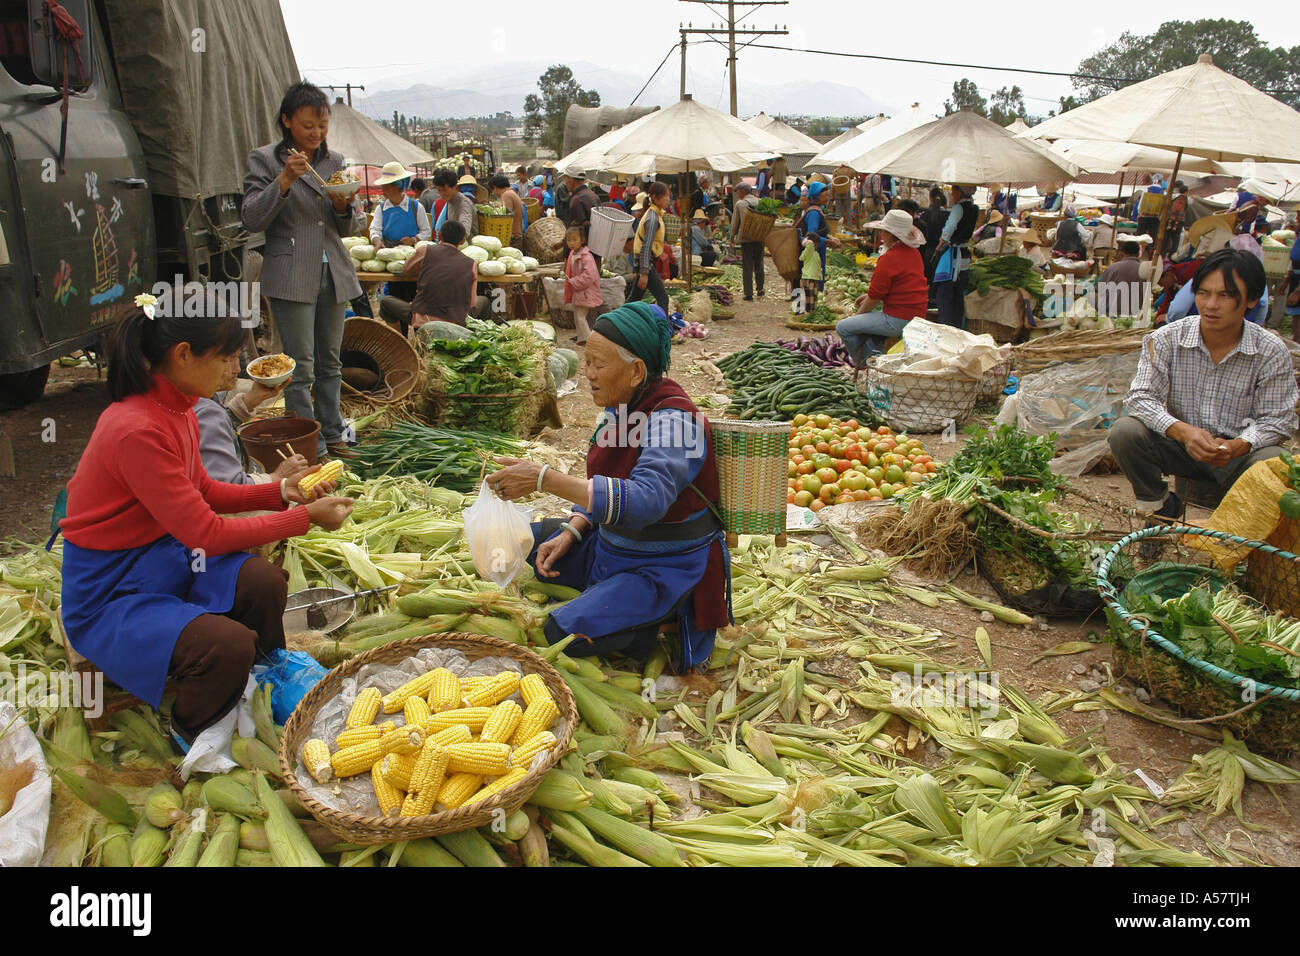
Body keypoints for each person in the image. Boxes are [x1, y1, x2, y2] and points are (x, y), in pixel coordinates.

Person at [57, 302, 352, 749]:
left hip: (160, 564)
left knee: (262, 580)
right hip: (111, 593)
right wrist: (301, 519)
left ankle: (266, 670)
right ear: (182, 355)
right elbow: (205, 533)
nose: (235, 371)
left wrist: (281, 494)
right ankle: (193, 731)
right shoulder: (137, 429)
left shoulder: (178, 410)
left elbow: (205, 491)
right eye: (226, 358)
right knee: (226, 644)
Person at [484, 303, 730, 668]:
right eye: (586, 363)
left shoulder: (677, 422)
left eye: (599, 364)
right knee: (513, 544)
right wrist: (573, 528)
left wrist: (543, 479)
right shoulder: (622, 407)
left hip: (660, 567)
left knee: (561, 634)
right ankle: (607, 595)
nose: (588, 374)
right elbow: (608, 484)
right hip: (612, 546)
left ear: (635, 371)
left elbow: (645, 500)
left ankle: (663, 620)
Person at [1108, 248, 1298, 516]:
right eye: (1203, 293)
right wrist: (1184, 432)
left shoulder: (1269, 350)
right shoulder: (1167, 339)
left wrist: (1239, 445)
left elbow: (1279, 420)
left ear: (1251, 299)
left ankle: (1242, 530)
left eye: (1225, 295)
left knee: (1274, 459)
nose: (1210, 304)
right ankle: (1159, 505)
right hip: (1182, 449)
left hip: (1239, 456)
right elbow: (1140, 398)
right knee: (1125, 432)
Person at [242, 81, 366, 460]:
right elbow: (251, 218)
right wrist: (284, 180)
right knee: (300, 365)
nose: (316, 133)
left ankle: (333, 432)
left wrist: (346, 208)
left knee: (331, 360)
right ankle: (308, 442)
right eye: (308, 125)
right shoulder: (264, 160)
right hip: (291, 271)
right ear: (286, 121)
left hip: (333, 270)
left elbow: (350, 226)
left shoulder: (335, 162)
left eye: (322, 126)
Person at [835, 209, 928, 365]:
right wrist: (868, 297)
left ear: (891, 235)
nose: (881, 236)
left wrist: (858, 315)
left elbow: (875, 298)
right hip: (917, 315)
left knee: (843, 327)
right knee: (866, 326)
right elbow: (899, 287)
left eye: (883, 232)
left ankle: (869, 367)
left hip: (897, 319)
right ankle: (878, 359)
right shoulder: (914, 253)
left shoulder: (889, 258)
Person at [195, 362, 308, 485]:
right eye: (227, 359)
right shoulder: (206, 414)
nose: (237, 369)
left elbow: (222, 423)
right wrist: (277, 476)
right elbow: (228, 488)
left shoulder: (204, 399)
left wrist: (252, 398)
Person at [378, 220, 488, 335]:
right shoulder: (471, 264)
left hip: (424, 320)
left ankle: (400, 344)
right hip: (457, 322)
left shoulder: (425, 250)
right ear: (462, 241)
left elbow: (406, 269)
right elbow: (472, 302)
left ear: (439, 235)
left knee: (386, 303)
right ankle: (476, 340)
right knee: (484, 302)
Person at [935, 183, 979, 328]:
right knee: (958, 294)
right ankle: (957, 326)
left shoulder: (958, 208)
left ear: (960, 192)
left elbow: (950, 226)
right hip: (964, 254)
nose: (952, 194)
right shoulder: (974, 208)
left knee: (945, 295)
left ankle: (946, 327)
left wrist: (942, 241)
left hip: (953, 255)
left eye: (954, 191)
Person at [369, 161, 432, 249]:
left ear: (397, 186)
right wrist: (377, 241)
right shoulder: (381, 209)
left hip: (411, 251)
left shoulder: (416, 207)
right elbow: (375, 229)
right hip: (388, 250)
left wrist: (413, 240)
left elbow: (426, 231)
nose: (383, 190)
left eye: (386, 186)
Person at [632, 182, 672, 314]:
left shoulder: (654, 214)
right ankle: (663, 332)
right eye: (665, 196)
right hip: (646, 264)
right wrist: (644, 273)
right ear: (655, 198)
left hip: (644, 263)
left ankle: (616, 324)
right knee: (663, 298)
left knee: (633, 300)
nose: (668, 199)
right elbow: (646, 246)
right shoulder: (653, 218)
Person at [562, 226, 602, 345]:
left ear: (582, 240)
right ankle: (582, 338)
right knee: (578, 316)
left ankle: (587, 340)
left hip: (585, 292)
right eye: (569, 240)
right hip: (580, 292)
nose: (571, 243)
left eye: (574, 239)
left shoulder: (586, 256)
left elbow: (590, 275)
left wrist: (575, 282)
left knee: (580, 316)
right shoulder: (573, 254)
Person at [1096, 240, 1147, 317]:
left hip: (1110, 313)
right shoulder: (1144, 270)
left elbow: (1100, 289)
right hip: (1134, 314)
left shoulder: (1112, 268)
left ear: (1122, 253)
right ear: (1138, 254)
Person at [731, 182, 765, 301]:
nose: (738, 194)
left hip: (746, 238)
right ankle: (760, 289)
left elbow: (735, 223)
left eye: (738, 191)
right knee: (759, 263)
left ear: (743, 191)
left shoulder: (740, 204)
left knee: (747, 266)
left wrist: (732, 237)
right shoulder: (761, 202)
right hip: (760, 237)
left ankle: (748, 293)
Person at [562, 169, 600, 268]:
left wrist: (567, 255)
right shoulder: (593, 195)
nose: (565, 183)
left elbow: (576, 231)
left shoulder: (576, 200)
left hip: (582, 258)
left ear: (572, 180)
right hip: (595, 252)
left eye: (566, 179)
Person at [798, 181, 832, 291]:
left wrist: (830, 237)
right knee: (815, 279)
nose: (828, 197)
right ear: (817, 196)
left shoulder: (817, 210)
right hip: (814, 253)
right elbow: (812, 237)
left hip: (818, 251)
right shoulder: (814, 213)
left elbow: (819, 231)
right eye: (826, 195)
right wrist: (829, 242)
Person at [432, 169, 476, 238]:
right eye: (439, 190)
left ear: (455, 187)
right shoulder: (450, 201)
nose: (442, 194)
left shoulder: (464, 204)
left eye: (445, 190)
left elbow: (464, 232)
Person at [918, 187, 948, 283]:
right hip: (943, 253)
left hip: (926, 253)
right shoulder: (949, 216)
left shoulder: (924, 215)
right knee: (937, 281)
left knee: (926, 279)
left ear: (930, 198)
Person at [489, 173, 526, 246]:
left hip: (512, 238)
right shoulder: (511, 192)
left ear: (495, 187)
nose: (493, 193)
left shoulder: (506, 195)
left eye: (492, 190)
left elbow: (503, 217)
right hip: (515, 237)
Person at [1163, 181, 1189, 256]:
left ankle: (1162, 252)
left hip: (1169, 220)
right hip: (1179, 222)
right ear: (1186, 191)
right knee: (1175, 240)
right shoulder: (1186, 199)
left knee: (1166, 238)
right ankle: (1172, 255)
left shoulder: (1173, 197)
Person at [797, 236, 822, 313]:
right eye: (816, 243)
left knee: (813, 297)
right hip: (808, 278)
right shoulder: (809, 251)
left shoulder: (816, 253)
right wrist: (807, 240)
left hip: (814, 278)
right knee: (808, 297)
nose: (816, 246)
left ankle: (811, 312)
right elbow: (810, 244)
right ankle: (805, 312)